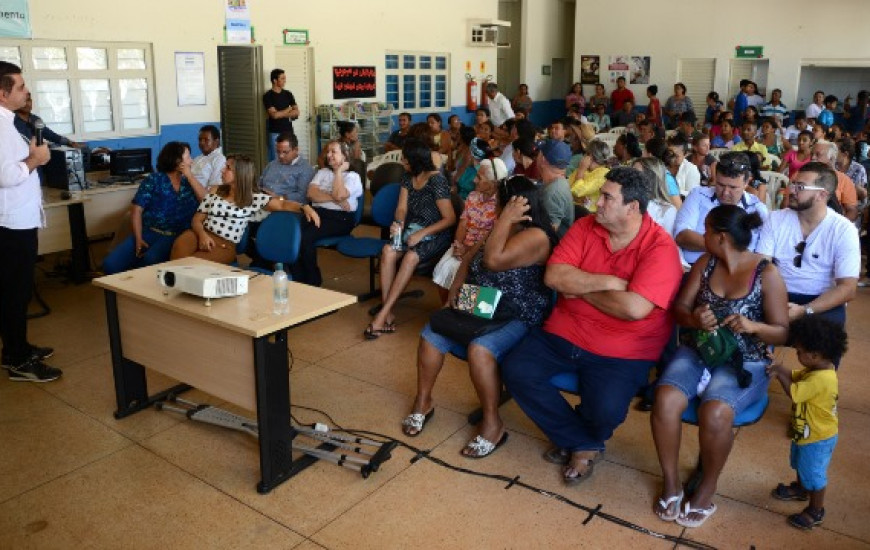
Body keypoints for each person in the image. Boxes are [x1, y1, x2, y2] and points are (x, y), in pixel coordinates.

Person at [501, 166, 683, 485]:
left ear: (633, 208)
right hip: (565, 331)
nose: (597, 202)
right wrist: (612, 283)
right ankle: (582, 443)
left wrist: (579, 290)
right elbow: (554, 277)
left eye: (607, 197)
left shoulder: (660, 248)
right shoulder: (586, 226)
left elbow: (634, 308)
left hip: (624, 349)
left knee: (607, 411)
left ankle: (579, 438)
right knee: (516, 369)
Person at [651, 205, 789, 528]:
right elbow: (680, 309)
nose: (703, 235)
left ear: (721, 237)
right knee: (666, 398)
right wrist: (696, 317)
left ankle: (707, 486)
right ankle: (671, 484)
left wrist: (753, 327)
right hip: (700, 348)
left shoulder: (766, 274)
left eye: (707, 230)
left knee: (714, 411)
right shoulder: (705, 262)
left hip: (747, 360)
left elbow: (781, 331)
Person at [403, 176, 557, 458]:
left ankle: (492, 422)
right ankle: (423, 401)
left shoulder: (536, 236)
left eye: (500, 201)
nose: (495, 204)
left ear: (515, 205)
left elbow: (492, 260)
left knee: (480, 350)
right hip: (484, 301)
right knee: (432, 334)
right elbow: (471, 257)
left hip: (518, 309)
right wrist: (455, 291)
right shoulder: (501, 229)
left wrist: (503, 221)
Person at [756, 162, 859, 366]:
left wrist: (805, 310)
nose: (791, 190)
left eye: (799, 187)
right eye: (792, 184)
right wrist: (775, 303)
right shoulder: (775, 219)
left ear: (822, 194)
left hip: (820, 300)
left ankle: (820, 392)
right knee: (745, 321)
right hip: (777, 294)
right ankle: (753, 372)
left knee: (826, 345)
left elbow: (848, 289)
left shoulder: (843, 230)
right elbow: (760, 267)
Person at [0, 61, 58, 382]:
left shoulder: (8, 123)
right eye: (20, 87)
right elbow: (6, 175)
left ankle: (15, 349)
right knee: (15, 293)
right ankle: (18, 360)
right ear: (3, 93)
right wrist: (35, 160)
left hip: (18, 221)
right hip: (11, 226)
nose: (26, 91)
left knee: (16, 291)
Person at [365, 138, 456, 339]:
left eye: (406, 161)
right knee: (388, 251)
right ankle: (388, 311)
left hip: (434, 233)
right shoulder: (408, 177)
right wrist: (398, 222)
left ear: (417, 161)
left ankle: (381, 316)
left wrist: (421, 233)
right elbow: (402, 207)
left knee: (410, 257)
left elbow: (450, 219)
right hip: (411, 230)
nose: (403, 164)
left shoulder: (437, 180)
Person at [768, 315, 845, 531]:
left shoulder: (822, 379)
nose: (798, 354)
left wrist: (776, 373)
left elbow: (794, 392)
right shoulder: (816, 369)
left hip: (818, 438)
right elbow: (795, 375)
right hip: (807, 433)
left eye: (799, 352)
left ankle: (816, 509)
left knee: (814, 474)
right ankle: (802, 490)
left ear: (814, 355)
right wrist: (779, 366)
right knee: (801, 464)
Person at [170, 154, 320, 264]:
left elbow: (281, 204)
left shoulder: (252, 198)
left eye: (228, 168)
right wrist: (202, 235)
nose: (222, 170)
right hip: (200, 233)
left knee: (193, 266)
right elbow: (197, 219)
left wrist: (304, 206)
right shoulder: (216, 189)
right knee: (178, 252)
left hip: (223, 244)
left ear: (239, 174)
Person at [102, 141, 208, 274]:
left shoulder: (189, 182)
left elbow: (207, 202)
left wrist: (190, 176)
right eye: (188, 157)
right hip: (150, 231)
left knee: (148, 262)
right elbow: (137, 210)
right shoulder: (154, 179)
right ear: (176, 161)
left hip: (175, 235)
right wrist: (139, 238)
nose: (191, 161)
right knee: (109, 265)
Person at [674, 152, 769, 266]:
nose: (725, 193)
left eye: (733, 187)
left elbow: (757, 255)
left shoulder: (757, 210)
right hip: (690, 267)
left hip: (735, 276)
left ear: (746, 183)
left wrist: (711, 245)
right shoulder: (698, 195)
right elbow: (681, 236)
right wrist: (729, 249)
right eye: (720, 185)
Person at [289, 140, 363, 285]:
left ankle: (312, 281)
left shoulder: (353, 177)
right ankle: (298, 279)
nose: (329, 155)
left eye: (333, 152)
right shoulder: (322, 172)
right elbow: (311, 194)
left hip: (340, 219)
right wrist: (335, 199)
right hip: (316, 212)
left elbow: (340, 194)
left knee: (305, 238)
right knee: (292, 235)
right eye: (328, 152)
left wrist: (338, 172)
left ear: (345, 155)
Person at [432, 158, 504, 295]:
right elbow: (463, 223)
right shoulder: (473, 196)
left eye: (479, 177)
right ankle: (449, 309)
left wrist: (468, 251)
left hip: (481, 251)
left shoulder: (500, 205)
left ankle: (456, 308)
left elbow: (491, 239)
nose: (474, 180)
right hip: (464, 246)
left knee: (465, 280)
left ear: (493, 183)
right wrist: (459, 245)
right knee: (442, 271)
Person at [259, 132, 315, 203]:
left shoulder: (305, 169)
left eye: (285, 152)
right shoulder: (272, 164)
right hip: (262, 201)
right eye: (278, 152)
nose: (281, 156)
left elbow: (302, 197)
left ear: (296, 150)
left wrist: (279, 198)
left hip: (285, 206)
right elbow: (260, 183)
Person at [14, 92, 80, 148]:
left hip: (36, 158)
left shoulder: (36, 119)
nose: (27, 104)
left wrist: (69, 142)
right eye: (23, 101)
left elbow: (50, 135)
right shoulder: (10, 120)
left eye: (28, 100)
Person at [538, 139, 574, 237]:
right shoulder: (557, 181)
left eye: (539, 153)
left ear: (543, 160)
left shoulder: (553, 192)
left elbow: (550, 233)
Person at [633, 157, 678, 235]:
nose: (630, 177)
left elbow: (668, 243)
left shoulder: (667, 210)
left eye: (636, 174)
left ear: (651, 178)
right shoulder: (625, 202)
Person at [263, 68, 299, 161]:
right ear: (275, 80)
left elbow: (297, 112)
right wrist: (288, 109)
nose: (285, 81)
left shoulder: (288, 94)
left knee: (291, 158)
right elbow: (274, 116)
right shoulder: (268, 96)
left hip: (289, 132)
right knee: (276, 160)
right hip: (275, 133)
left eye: (285, 78)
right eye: (282, 78)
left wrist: (281, 113)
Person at [570, 140, 611, 214]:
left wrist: (581, 169)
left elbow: (578, 191)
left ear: (591, 156)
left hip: (588, 214)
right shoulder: (586, 169)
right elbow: (569, 187)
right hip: (574, 207)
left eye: (586, 154)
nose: (584, 156)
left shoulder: (603, 172)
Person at [190, 125, 226, 189]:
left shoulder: (219, 160)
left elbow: (214, 187)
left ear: (216, 141)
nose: (202, 143)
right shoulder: (198, 158)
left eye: (206, 140)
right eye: (200, 140)